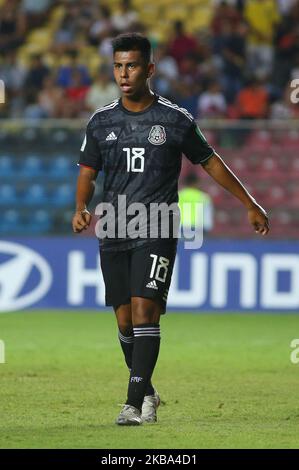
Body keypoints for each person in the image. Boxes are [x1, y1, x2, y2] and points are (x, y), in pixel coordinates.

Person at [72, 33, 269, 426]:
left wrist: (249, 203)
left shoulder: (174, 120)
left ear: (148, 69)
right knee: (124, 321)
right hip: (113, 225)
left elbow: (211, 162)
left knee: (146, 312)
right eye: (117, 66)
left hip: (157, 225)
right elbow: (88, 172)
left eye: (131, 66)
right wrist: (80, 208)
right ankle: (146, 391)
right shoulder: (101, 121)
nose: (123, 74)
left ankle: (131, 404)